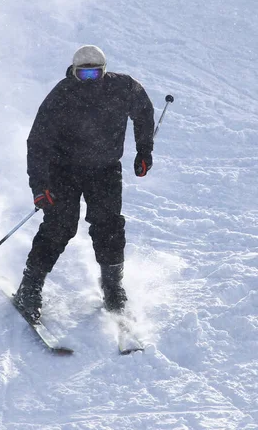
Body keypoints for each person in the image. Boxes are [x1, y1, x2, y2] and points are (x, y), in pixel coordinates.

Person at [14, 45, 155, 322]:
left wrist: (144, 151)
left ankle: (112, 286)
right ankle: (29, 286)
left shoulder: (123, 87)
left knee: (109, 225)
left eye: (95, 73)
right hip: (63, 170)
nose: (89, 79)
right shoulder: (61, 95)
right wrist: (39, 187)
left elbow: (144, 112)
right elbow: (38, 143)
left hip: (104, 170)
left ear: (104, 71)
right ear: (74, 72)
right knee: (59, 225)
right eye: (84, 74)